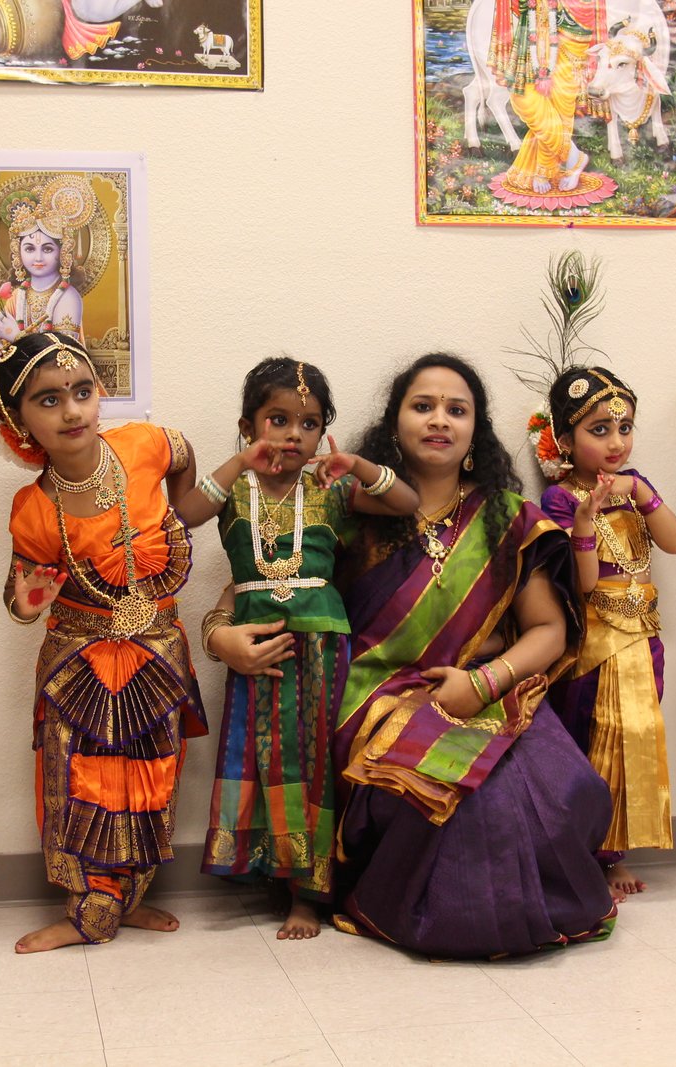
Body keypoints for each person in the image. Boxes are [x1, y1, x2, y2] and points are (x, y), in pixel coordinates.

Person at [263, 352, 616, 957]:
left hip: (484, 688)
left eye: (457, 410)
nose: (439, 420)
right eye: (422, 406)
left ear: (476, 430)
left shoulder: (509, 519)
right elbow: (263, 582)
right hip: (373, 697)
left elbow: (549, 630)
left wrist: (482, 685)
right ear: (394, 423)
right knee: (469, 806)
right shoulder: (349, 509)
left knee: (562, 786)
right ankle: (451, 914)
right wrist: (219, 632)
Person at [180, 358, 417, 940]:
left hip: (323, 650)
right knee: (261, 759)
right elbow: (183, 514)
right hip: (255, 647)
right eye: (278, 420)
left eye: (309, 424)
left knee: (314, 766)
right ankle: (269, 872)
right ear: (248, 425)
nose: (293, 435)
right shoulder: (234, 490)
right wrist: (240, 461)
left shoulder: (329, 489)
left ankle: (308, 896)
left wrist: (356, 465)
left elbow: (406, 502)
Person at [0, 330, 205, 952]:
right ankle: (87, 908)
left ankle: (124, 899)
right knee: (80, 781)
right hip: (77, 664)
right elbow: (19, 598)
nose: (73, 410)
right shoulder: (33, 508)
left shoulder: (144, 443)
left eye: (82, 391)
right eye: (49, 400)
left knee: (151, 776)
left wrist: (178, 511)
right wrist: (27, 601)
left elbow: (184, 455)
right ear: (19, 420)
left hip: (155, 651)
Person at [537, 365, 676, 900]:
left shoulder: (634, 485)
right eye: (599, 430)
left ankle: (616, 851)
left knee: (636, 736)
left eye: (624, 428)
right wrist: (583, 520)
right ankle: (588, 854)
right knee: (593, 737)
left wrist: (641, 491)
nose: (616, 442)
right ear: (565, 439)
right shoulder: (558, 499)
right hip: (595, 640)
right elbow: (581, 585)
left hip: (643, 633)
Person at [488, 0, 600, 196]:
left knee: (560, 107)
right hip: (531, 31)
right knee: (524, 99)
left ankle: (545, 168)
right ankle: (574, 156)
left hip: (572, 25)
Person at [0, 177, 89, 368]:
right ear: (18, 253)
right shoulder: (19, 295)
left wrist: (17, 336)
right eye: (29, 249)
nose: (38, 257)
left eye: (47, 249)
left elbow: (62, 355)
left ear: (61, 253)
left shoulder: (68, 297)